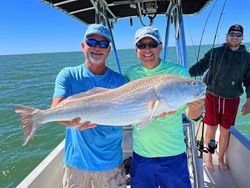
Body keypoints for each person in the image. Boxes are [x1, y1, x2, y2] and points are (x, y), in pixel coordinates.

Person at [125, 26, 204, 188]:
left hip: (173, 155)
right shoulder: (130, 74)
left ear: (160, 46)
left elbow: (192, 114)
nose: (147, 49)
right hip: (141, 156)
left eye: (152, 44)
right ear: (136, 49)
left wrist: (196, 108)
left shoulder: (179, 73)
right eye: (142, 45)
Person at [51, 24, 128, 188]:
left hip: (111, 164)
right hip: (76, 164)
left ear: (108, 50)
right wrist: (69, 122)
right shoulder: (68, 75)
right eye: (92, 42)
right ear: (83, 46)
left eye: (103, 44)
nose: (97, 48)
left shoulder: (120, 82)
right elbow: (55, 109)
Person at [189, 24, 250, 172]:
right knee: (211, 128)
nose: (234, 37)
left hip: (232, 98)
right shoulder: (215, 52)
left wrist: (249, 100)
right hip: (212, 95)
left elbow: (249, 80)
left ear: (243, 37)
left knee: (225, 131)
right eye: (232, 34)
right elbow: (200, 66)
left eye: (237, 35)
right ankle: (209, 157)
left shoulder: (247, 57)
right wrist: (185, 73)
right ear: (227, 36)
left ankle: (221, 158)